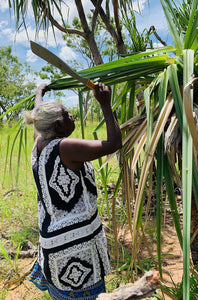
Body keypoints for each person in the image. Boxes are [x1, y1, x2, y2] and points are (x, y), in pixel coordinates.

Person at [23, 82, 122, 300]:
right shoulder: (65, 148)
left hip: (53, 243)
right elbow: (114, 143)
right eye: (68, 115)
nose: (73, 117)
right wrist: (105, 104)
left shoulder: (39, 141)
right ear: (58, 125)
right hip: (76, 247)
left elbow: (40, 113)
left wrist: (40, 92)